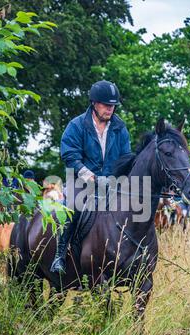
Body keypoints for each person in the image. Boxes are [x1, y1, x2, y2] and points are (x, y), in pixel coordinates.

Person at [50, 80, 131, 275]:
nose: (110, 109)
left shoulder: (120, 127)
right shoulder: (77, 125)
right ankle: (59, 256)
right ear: (94, 103)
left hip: (111, 183)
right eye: (106, 105)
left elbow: (126, 158)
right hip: (81, 181)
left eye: (113, 106)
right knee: (74, 206)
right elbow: (70, 155)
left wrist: (118, 180)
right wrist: (91, 177)